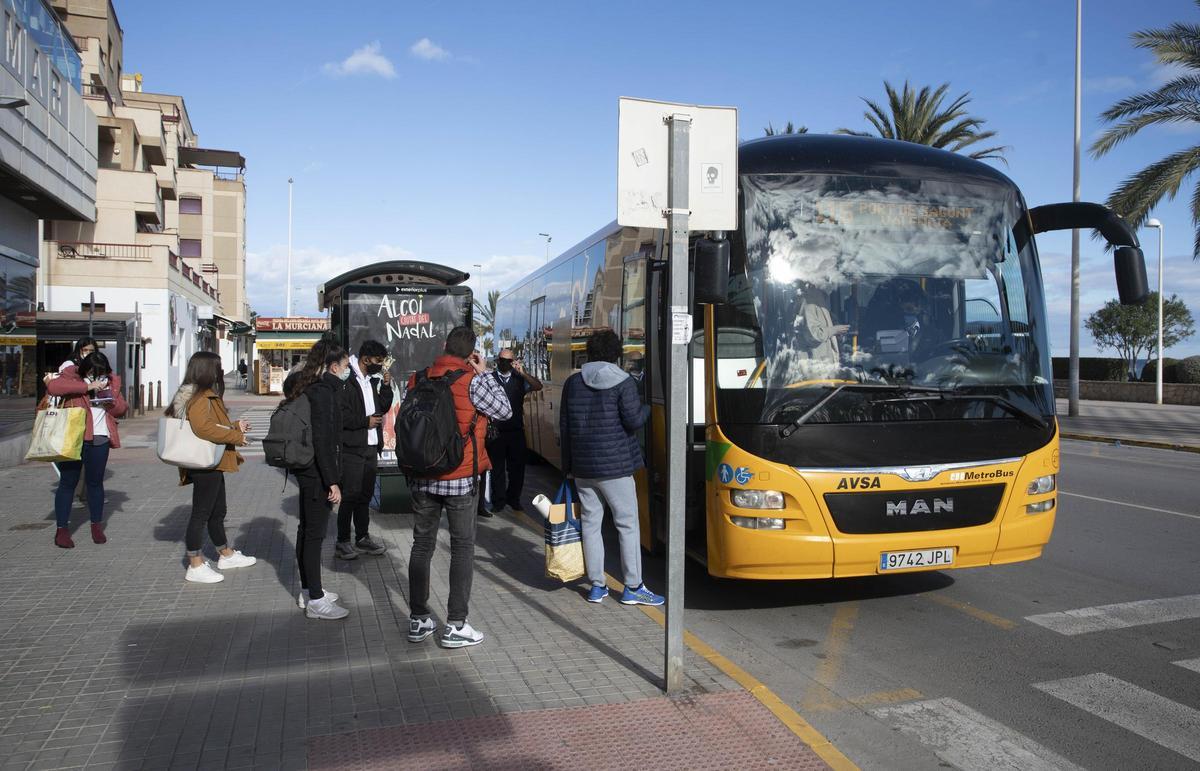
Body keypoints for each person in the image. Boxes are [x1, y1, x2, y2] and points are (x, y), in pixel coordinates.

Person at [405, 326, 512, 648]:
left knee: (421, 545)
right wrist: (484, 371)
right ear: (471, 353)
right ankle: (455, 625)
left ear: (443, 347)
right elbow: (504, 411)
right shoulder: (473, 380)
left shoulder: (418, 378)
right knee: (462, 548)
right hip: (461, 476)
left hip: (423, 474)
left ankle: (419, 619)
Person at [559, 329, 662, 606]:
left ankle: (596, 586)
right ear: (616, 353)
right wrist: (648, 409)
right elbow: (632, 421)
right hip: (615, 467)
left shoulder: (573, 383)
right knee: (627, 524)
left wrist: (568, 467)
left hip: (583, 467)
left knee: (591, 524)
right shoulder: (624, 382)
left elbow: (566, 427)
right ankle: (633, 587)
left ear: (589, 352)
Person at [165, 351, 257, 582]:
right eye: (217, 366)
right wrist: (235, 436)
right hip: (204, 462)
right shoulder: (200, 397)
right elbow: (203, 428)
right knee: (202, 514)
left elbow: (210, 424)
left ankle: (225, 553)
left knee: (218, 511)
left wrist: (235, 425)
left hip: (211, 460)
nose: (220, 371)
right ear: (207, 370)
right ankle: (195, 564)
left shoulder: (200, 394)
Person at [287, 344, 349, 620]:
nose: (346, 371)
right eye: (346, 365)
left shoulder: (306, 385)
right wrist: (332, 481)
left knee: (306, 531)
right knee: (314, 535)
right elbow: (323, 440)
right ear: (331, 364)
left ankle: (310, 588)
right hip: (316, 472)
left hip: (306, 469)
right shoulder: (322, 392)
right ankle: (315, 600)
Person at [46, 352, 127, 548]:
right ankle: (62, 530)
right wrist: (87, 386)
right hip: (75, 437)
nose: (96, 377)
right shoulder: (72, 375)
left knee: (95, 483)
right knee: (68, 482)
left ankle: (96, 526)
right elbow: (53, 387)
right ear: (85, 369)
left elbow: (122, 409)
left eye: (101, 373)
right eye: (92, 373)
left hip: (99, 438)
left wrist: (111, 402)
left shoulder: (111, 381)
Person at [334, 340, 393, 560]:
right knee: (350, 494)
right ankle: (342, 541)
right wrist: (363, 421)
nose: (381, 365)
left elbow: (382, 408)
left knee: (365, 495)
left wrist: (385, 387)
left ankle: (362, 537)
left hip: (370, 446)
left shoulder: (370, 380)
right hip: (352, 446)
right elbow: (340, 414)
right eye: (378, 361)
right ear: (366, 359)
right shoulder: (346, 378)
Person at [485, 348, 542, 516]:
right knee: (497, 469)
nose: (504, 363)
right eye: (501, 360)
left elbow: (538, 386)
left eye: (508, 361)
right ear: (497, 360)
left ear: (514, 362)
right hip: (496, 431)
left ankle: (514, 499)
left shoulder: (519, 379)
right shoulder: (491, 379)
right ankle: (499, 501)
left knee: (517, 469)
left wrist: (523, 373)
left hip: (516, 430)